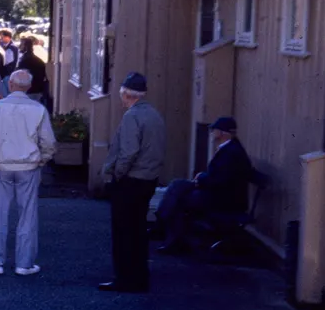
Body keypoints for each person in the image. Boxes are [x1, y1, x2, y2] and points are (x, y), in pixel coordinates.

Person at [0, 69, 57, 276]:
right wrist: (41, 160)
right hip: (28, 166)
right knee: (27, 215)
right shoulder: (38, 109)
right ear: (28, 87)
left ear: (10, 84)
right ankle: (24, 264)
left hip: (0, 165)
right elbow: (48, 143)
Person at [100, 72, 166, 293]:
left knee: (123, 232)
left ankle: (125, 278)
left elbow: (128, 152)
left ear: (126, 94)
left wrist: (117, 175)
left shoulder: (132, 116)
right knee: (138, 231)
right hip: (148, 179)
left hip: (131, 180)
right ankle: (139, 277)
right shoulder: (154, 115)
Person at [156, 116, 253, 254]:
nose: (212, 133)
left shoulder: (231, 153)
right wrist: (202, 178)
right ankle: (165, 225)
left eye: (215, 130)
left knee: (178, 199)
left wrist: (201, 178)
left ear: (223, 133)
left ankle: (167, 229)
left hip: (222, 199)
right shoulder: (231, 149)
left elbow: (221, 180)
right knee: (177, 186)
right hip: (218, 193)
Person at [16, 36, 48, 101]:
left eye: (21, 45)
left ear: (26, 46)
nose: (19, 47)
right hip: (38, 91)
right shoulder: (37, 60)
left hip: (29, 92)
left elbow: (21, 77)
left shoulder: (26, 60)